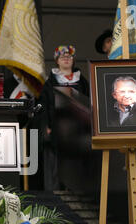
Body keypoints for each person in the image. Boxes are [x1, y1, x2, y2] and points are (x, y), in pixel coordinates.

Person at [37, 45, 90, 191]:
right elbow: (44, 104)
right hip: (57, 129)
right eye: (62, 57)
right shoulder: (50, 82)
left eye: (69, 57)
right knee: (56, 161)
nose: (66, 59)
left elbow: (89, 102)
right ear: (56, 61)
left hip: (78, 130)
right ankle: (56, 190)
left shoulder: (82, 81)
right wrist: (47, 125)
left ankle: (79, 190)